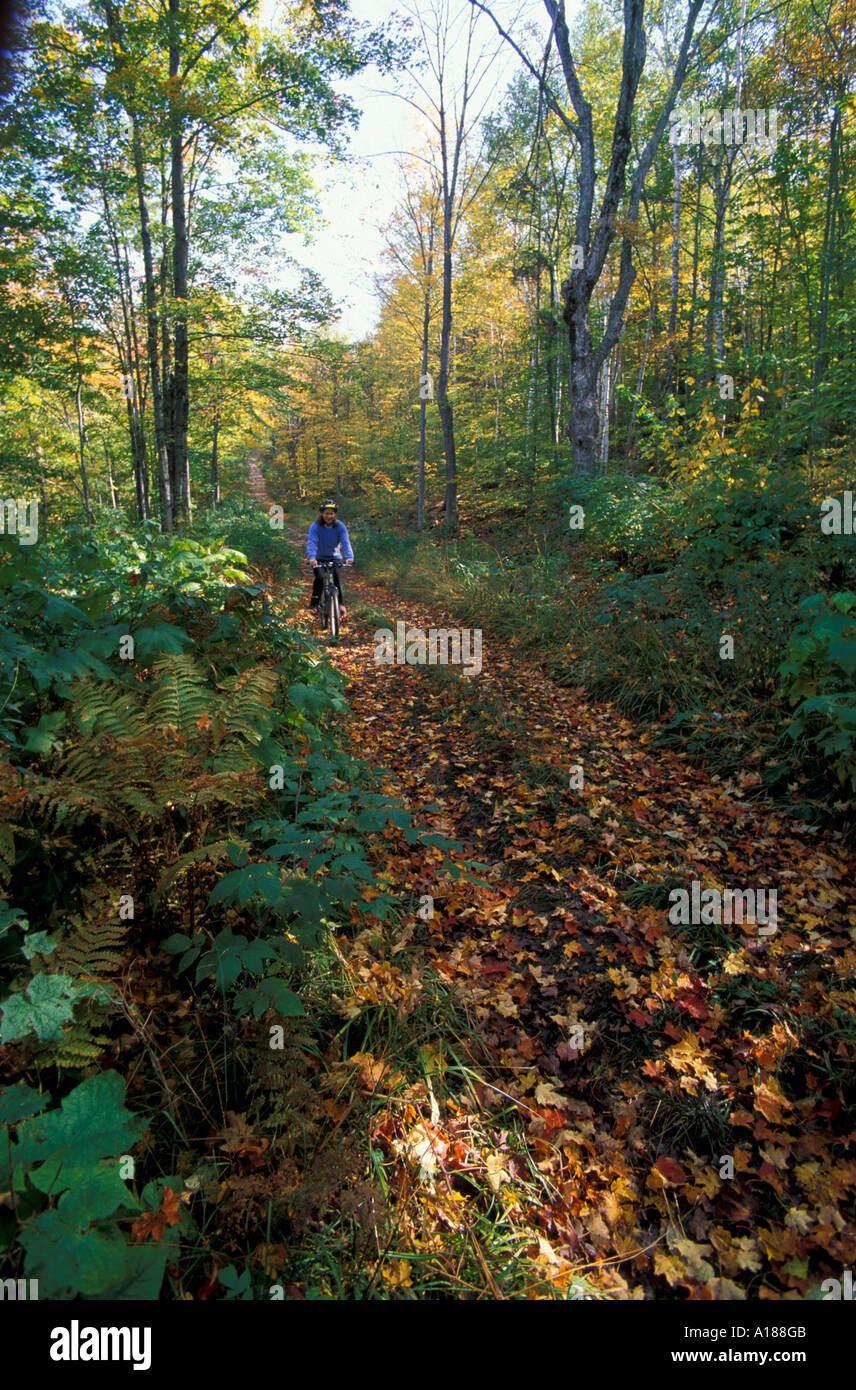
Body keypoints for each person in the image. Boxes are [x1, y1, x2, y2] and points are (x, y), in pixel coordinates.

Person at [307, 499, 354, 616]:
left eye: (331, 513)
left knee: (337, 577)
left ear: (335, 514)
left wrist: (349, 557)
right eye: (327, 513)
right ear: (322, 513)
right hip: (318, 558)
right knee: (319, 578)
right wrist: (312, 558)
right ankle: (314, 603)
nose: (329, 516)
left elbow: (346, 542)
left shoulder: (340, 526)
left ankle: (341, 604)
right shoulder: (316, 526)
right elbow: (312, 542)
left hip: (334, 557)